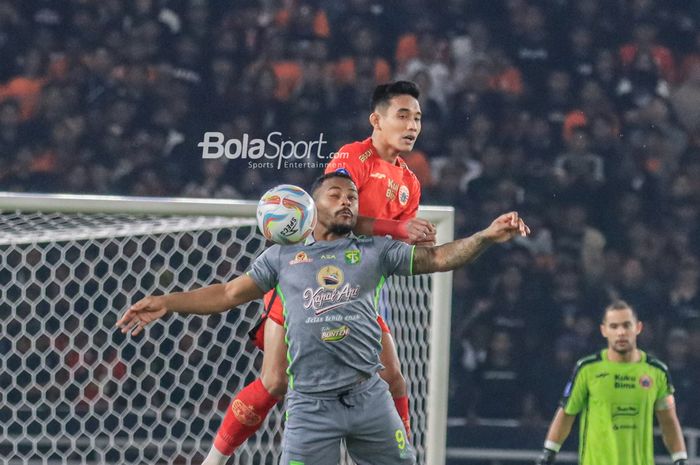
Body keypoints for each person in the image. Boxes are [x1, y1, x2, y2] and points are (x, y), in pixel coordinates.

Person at [117, 171, 530, 465]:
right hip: (311, 406)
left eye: (352, 195)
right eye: (335, 194)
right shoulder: (281, 256)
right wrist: (168, 301)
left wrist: (485, 237)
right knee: (272, 381)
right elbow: (228, 294)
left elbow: (439, 258)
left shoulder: (374, 251)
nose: (347, 200)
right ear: (310, 207)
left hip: (369, 397)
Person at [202, 80, 436, 464]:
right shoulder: (351, 159)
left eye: (418, 118)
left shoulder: (409, 182)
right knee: (274, 381)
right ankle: (213, 460)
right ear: (376, 120)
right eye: (403, 115)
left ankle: (402, 450)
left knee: (393, 375)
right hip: (306, 277)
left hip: (354, 291)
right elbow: (336, 219)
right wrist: (398, 229)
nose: (412, 125)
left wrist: (415, 243)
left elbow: (392, 246)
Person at [535, 300, 688, 465]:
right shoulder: (587, 369)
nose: (621, 332)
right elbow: (566, 413)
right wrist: (548, 452)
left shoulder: (657, 371)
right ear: (604, 331)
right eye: (614, 327)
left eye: (626, 325)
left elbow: (669, 422)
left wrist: (680, 459)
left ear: (638, 328)